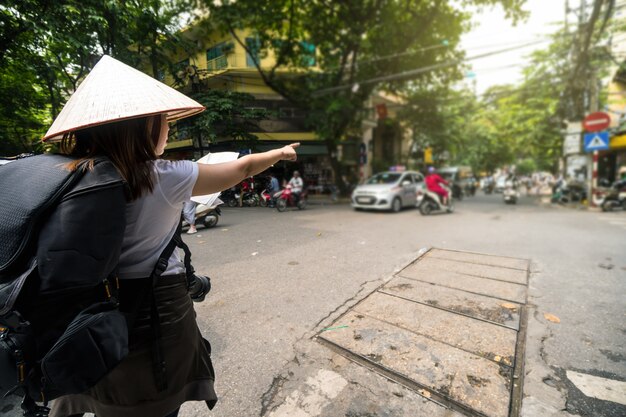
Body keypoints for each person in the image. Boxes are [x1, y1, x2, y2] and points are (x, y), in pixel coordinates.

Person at [43, 55, 299, 417]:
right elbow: (241, 168)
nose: (168, 130)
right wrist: (280, 152)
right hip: (155, 309)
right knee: (156, 397)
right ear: (144, 128)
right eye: (163, 122)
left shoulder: (65, 174)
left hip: (85, 312)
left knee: (105, 392)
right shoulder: (164, 176)